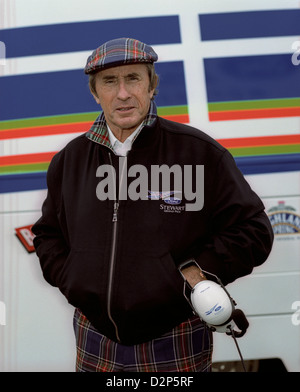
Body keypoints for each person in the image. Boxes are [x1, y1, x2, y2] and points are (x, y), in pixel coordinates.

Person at [32, 37, 274, 372]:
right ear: (94, 92)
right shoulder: (70, 161)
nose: (123, 93)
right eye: (109, 81)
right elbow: (47, 235)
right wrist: (75, 280)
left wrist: (195, 277)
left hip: (175, 334)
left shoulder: (197, 153)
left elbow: (254, 231)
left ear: (152, 85)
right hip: (95, 337)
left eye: (133, 78)